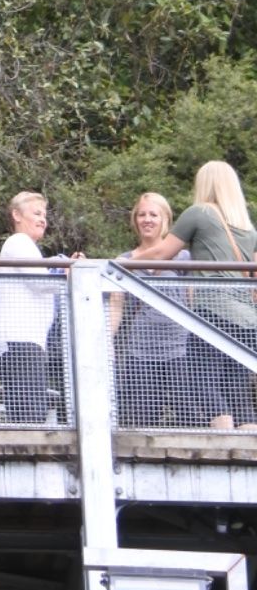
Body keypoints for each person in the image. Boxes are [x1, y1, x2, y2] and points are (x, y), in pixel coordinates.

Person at [127, 160, 257, 430]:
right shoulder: (247, 228)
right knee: (237, 391)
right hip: (246, 319)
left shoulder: (199, 213)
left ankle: (223, 447)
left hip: (212, 311)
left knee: (201, 382)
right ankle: (246, 453)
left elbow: (162, 254)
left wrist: (120, 264)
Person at [0, 191, 72, 426]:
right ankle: (28, 456)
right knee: (31, 414)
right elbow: (42, 282)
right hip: (18, 342)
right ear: (17, 215)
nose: (43, 219)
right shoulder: (19, 242)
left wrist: (60, 267)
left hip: (21, 343)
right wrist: (67, 271)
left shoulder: (26, 248)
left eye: (44, 214)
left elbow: (41, 275)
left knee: (26, 411)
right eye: (36, 213)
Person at [110, 193, 192, 428]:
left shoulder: (182, 257)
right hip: (140, 353)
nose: (147, 220)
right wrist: (106, 342)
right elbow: (116, 305)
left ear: (165, 219)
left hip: (180, 350)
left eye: (153, 214)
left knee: (188, 418)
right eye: (142, 214)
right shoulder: (124, 261)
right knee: (140, 421)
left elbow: (191, 301)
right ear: (135, 220)